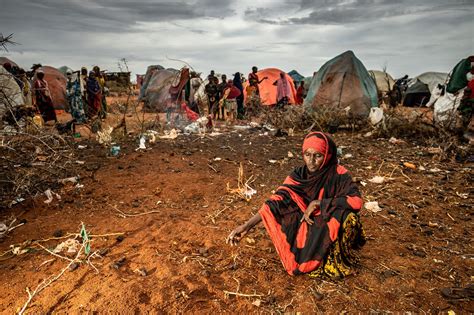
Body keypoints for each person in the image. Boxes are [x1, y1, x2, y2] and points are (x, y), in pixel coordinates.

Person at [227, 132, 366, 278]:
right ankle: (310, 257)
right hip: (307, 222)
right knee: (284, 210)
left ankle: (337, 260)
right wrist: (246, 226)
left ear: (327, 156)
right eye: (307, 154)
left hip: (327, 220)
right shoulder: (299, 175)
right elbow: (275, 201)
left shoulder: (339, 173)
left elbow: (356, 202)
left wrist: (319, 203)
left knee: (348, 217)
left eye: (318, 156)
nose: (311, 161)